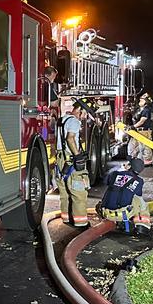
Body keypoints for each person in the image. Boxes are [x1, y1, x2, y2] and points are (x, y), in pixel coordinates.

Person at [55, 97, 92, 228]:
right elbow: (70, 139)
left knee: (64, 192)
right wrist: (77, 156)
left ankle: (66, 218)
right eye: (85, 112)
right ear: (80, 110)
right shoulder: (74, 122)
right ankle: (81, 223)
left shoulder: (62, 120)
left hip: (60, 159)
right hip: (70, 159)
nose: (85, 116)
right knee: (79, 192)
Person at [96, 157, 151, 236]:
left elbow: (106, 179)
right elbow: (138, 196)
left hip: (105, 213)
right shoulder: (139, 181)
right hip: (122, 215)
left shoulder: (115, 174)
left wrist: (121, 169)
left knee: (113, 193)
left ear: (129, 166)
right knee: (140, 202)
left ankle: (120, 221)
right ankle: (142, 227)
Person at [128, 94, 153, 166]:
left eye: (142, 100)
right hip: (137, 131)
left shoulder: (146, 110)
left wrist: (133, 126)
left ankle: (148, 161)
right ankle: (133, 160)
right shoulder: (139, 109)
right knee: (133, 146)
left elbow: (142, 121)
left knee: (145, 147)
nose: (140, 101)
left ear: (146, 102)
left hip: (144, 131)